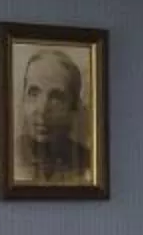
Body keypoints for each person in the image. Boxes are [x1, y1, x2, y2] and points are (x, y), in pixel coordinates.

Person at [15, 47, 92, 184]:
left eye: (56, 97)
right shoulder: (10, 157)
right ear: (23, 99)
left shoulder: (88, 162)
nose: (42, 109)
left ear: (73, 106)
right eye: (34, 93)